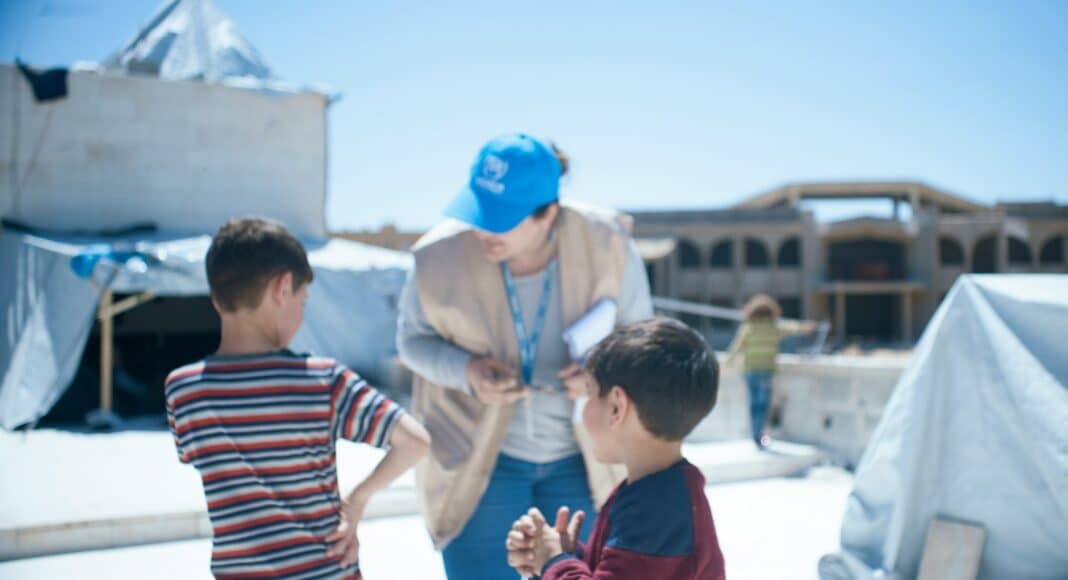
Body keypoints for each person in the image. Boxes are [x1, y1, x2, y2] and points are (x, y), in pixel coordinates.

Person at [396, 133, 653, 579]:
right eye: (478, 212)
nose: (483, 230)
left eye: (502, 219)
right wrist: (467, 371)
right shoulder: (437, 256)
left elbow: (644, 336)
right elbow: (411, 342)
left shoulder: (607, 243)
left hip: (583, 461)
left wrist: (602, 375)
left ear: (549, 213)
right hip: (478, 460)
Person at [165, 217, 431, 579]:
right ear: (282, 287)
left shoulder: (183, 390)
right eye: (303, 301)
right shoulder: (322, 380)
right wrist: (355, 502)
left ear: (215, 297)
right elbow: (414, 442)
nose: (301, 315)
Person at [505, 318, 726, 579]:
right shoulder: (660, 494)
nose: (584, 409)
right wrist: (564, 558)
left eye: (589, 393)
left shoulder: (654, 510)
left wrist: (556, 561)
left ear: (616, 408)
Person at [724, 294, 815, 449]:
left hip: (750, 371)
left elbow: (736, 347)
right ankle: (759, 435)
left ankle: (755, 434)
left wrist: (726, 364)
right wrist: (805, 327)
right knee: (763, 404)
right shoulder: (773, 327)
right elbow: (792, 328)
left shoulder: (748, 327)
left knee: (753, 404)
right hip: (766, 371)